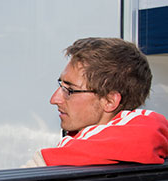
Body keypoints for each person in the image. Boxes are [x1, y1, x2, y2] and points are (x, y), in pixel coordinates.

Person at [25, 37, 168, 167]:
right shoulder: (150, 145)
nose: (54, 99)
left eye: (70, 90)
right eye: (60, 85)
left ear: (109, 101)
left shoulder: (61, 159)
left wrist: (47, 159)